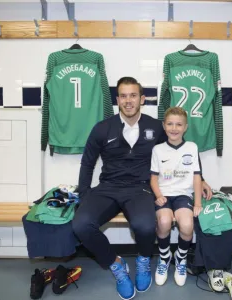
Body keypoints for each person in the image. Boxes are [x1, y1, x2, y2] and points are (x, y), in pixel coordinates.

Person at [72, 77, 212, 300]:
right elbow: (87, 163)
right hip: (108, 186)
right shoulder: (102, 128)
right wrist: (84, 194)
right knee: (80, 224)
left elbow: (184, 148)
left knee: (146, 226)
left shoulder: (156, 126)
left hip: (140, 188)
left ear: (142, 99)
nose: (129, 101)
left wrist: (201, 179)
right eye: (124, 96)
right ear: (117, 100)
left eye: (133, 95)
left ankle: (144, 260)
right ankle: (116, 265)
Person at [150, 107, 204, 287]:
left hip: (183, 195)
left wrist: (197, 202)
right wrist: (158, 195)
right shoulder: (157, 149)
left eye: (179, 124)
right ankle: (165, 256)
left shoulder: (192, 147)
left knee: (187, 225)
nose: (174, 128)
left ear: (185, 127)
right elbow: (153, 178)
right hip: (164, 195)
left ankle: (180, 257)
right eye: (170, 124)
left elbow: (197, 176)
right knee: (164, 222)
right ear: (164, 126)